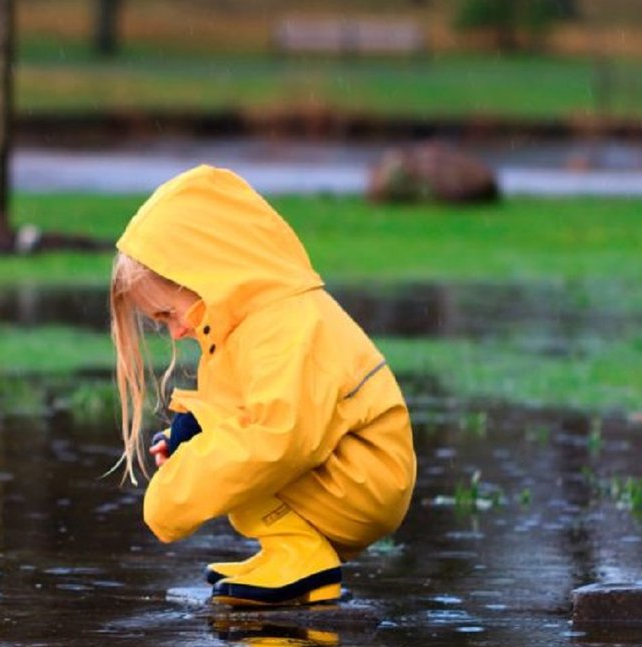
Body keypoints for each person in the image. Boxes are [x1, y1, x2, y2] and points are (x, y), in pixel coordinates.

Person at [109, 165, 416, 607]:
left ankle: (303, 560)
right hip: (345, 474)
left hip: (362, 484)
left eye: (168, 315)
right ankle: (288, 551)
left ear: (203, 275)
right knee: (231, 458)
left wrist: (176, 493)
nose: (175, 333)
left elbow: (281, 439)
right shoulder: (247, 324)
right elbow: (242, 409)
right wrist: (190, 434)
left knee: (243, 464)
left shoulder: (285, 324)